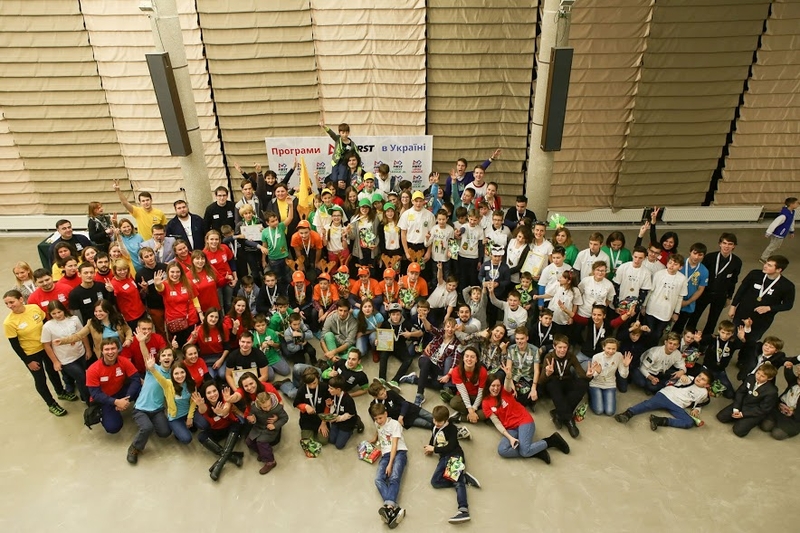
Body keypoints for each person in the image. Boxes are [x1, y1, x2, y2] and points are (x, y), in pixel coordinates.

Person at [5, 290, 74, 416]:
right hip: (31, 354)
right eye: (7, 304)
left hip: (45, 347)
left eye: (11, 302)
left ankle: (61, 392)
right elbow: (15, 345)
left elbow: (46, 324)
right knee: (40, 379)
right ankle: (51, 404)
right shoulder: (9, 322)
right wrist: (28, 361)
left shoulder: (34, 308)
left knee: (53, 372)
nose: (9, 306)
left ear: (21, 299)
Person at [482, 372, 570, 462]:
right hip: (510, 428)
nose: (496, 388)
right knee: (502, 450)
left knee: (524, 452)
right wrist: (510, 438)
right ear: (488, 386)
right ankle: (535, 450)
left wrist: (508, 376)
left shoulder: (504, 391)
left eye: (498, 385)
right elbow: (497, 423)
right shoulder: (485, 403)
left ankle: (552, 440)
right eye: (493, 386)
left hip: (523, 421)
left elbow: (507, 384)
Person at [423, 405, 480, 524]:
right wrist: (430, 446)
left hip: (455, 455)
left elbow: (451, 446)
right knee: (435, 482)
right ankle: (464, 478)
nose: (436, 423)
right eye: (434, 420)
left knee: (457, 483)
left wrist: (435, 449)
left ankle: (463, 510)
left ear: (446, 420)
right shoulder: (435, 426)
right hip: (443, 458)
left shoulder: (452, 429)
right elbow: (434, 436)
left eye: (439, 422)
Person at [729, 255, 795, 354]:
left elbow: (788, 305)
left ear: (779, 270)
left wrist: (769, 308)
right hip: (742, 314)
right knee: (733, 337)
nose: (765, 266)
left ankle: (743, 359)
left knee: (750, 342)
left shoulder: (787, 286)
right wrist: (733, 306)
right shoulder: (754, 274)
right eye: (766, 263)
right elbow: (741, 291)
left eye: (769, 265)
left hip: (761, 320)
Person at [615, 369, 712, 430]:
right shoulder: (689, 379)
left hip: (678, 405)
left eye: (703, 379)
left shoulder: (704, 393)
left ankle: (659, 420)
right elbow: (670, 381)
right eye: (699, 376)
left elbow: (700, 403)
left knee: (689, 422)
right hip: (666, 395)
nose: (699, 379)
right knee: (648, 404)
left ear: (707, 385)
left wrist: (697, 409)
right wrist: (680, 377)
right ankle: (628, 413)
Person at [127, 345, 174, 464]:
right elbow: (146, 356)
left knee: (165, 432)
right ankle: (135, 447)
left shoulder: (174, 374)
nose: (166, 357)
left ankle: (148, 426)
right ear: (159, 359)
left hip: (157, 410)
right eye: (163, 355)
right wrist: (142, 342)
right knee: (147, 428)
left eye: (169, 355)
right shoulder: (153, 368)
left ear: (173, 358)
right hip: (141, 409)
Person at [689, 233, 741, 336]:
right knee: (695, 315)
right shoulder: (710, 257)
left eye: (730, 244)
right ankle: (689, 335)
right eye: (724, 243)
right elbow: (700, 275)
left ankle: (706, 338)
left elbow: (733, 280)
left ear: (734, 246)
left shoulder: (737, 262)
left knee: (713, 319)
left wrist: (729, 297)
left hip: (721, 295)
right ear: (720, 244)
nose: (726, 246)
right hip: (704, 292)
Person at [86, 339, 143, 433]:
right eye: (107, 349)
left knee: (141, 389)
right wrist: (115, 402)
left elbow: (136, 379)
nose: (110, 352)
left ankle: (143, 412)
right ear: (102, 351)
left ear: (118, 350)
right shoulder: (93, 369)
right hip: (104, 398)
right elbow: (95, 394)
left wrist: (126, 399)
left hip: (120, 391)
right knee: (113, 427)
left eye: (113, 348)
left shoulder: (124, 361)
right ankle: (103, 413)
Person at [192, 381, 244, 481]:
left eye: (214, 391)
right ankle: (232, 457)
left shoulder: (225, 398)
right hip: (216, 430)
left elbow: (226, 409)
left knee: (237, 425)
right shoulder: (204, 405)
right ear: (205, 395)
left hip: (230, 427)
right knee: (201, 436)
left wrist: (221, 412)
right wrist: (200, 404)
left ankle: (219, 465)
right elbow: (202, 410)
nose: (212, 394)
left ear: (218, 391)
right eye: (209, 393)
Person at [539, 335, 590, 438]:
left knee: (583, 383)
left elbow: (580, 372)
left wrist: (588, 376)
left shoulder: (571, 356)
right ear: (554, 347)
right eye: (560, 347)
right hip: (553, 382)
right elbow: (541, 381)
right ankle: (569, 420)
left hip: (566, 381)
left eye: (565, 347)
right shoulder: (549, 357)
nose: (562, 350)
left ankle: (558, 413)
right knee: (553, 385)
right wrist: (547, 373)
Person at [40, 301, 91, 404]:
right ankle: (89, 401)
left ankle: (83, 395)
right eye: (54, 313)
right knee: (81, 377)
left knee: (83, 377)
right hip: (65, 359)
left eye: (59, 312)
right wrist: (55, 362)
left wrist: (88, 349)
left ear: (64, 310)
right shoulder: (47, 326)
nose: (57, 315)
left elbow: (82, 334)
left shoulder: (74, 319)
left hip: (80, 353)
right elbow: (46, 345)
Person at [369, 403, 408, 527]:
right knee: (378, 479)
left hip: (399, 452)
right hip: (385, 454)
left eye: (380, 418)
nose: (378, 421)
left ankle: (390, 508)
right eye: (376, 419)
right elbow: (379, 431)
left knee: (394, 477)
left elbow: (394, 445)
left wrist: (390, 464)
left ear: (386, 414)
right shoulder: (377, 424)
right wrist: (375, 438)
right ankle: (393, 508)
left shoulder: (395, 424)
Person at [54, 299, 133, 360]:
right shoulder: (91, 323)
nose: (97, 314)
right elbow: (79, 335)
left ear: (108, 311)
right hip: (104, 356)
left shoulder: (118, 319)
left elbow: (128, 330)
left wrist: (128, 339)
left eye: (100, 311)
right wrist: (62, 341)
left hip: (122, 353)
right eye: (96, 311)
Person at [717, 362, 779, 437]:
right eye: (758, 373)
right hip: (743, 404)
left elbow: (763, 409)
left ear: (769, 378)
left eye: (762, 376)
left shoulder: (771, 392)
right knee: (721, 417)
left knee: (738, 431)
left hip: (755, 411)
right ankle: (740, 419)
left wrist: (743, 414)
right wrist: (736, 408)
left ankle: (750, 421)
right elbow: (741, 392)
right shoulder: (751, 378)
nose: (758, 377)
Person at [154, 262, 202, 346]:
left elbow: (194, 298)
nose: (175, 274)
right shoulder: (165, 284)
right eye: (172, 272)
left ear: (181, 272)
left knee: (193, 344)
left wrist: (200, 313)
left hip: (190, 319)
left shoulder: (188, 283)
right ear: (168, 272)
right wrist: (157, 284)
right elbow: (160, 288)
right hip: (175, 322)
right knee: (179, 345)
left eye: (177, 272)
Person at [643, 254, 688, 342]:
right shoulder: (658, 274)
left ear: (680, 267)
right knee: (647, 331)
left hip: (666, 312)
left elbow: (680, 297)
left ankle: (653, 347)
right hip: (652, 308)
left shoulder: (682, 279)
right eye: (670, 263)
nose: (671, 266)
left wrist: (676, 312)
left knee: (658, 334)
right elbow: (650, 291)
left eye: (675, 264)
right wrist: (644, 305)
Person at [244, 390, 289, 475]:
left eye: (269, 405)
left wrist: (275, 425)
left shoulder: (278, 408)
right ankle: (263, 453)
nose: (268, 409)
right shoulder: (254, 407)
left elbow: (285, 418)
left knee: (261, 442)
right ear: (259, 404)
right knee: (248, 441)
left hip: (270, 429)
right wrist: (252, 420)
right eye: (264, 407)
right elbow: (251, 416)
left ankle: (271, 461)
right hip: (258, 427)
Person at [587, 338, 632, 416]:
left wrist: (625, 366)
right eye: (608, 348)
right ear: (603, 347)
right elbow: (593, 374)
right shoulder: (596, 357)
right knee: (599, 410)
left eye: (613, 349)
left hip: (610, 384)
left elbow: (623, 375)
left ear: (616, 349)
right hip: (596, 384)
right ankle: (591, 396)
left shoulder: (619, 356)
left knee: (610, 412)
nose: (611, 351)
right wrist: (597, 372)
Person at [759, 365, 800, 440]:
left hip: (794, 417)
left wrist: (793, 412)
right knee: (765, 426)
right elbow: (789, 375)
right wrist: (788, 368)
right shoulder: (795, 382)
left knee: (777, 434)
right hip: (780, 409)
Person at [105, 260, 146, 330]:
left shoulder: (129, 277)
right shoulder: (114, 284)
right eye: (119, 270)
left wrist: (143, 289)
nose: (123, 272)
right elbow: (112, 302)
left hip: (141, 311)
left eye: (124, 269)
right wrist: (110, 292)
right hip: (130, 317)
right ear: (115, 271)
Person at [203, 230, 237, 313]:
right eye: (211, 239)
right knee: (220, 305)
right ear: (207, 240)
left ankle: (229, 319)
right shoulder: (204, 254)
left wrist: (235, 278)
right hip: (216, 283)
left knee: (228, 303)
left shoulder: (224, 248)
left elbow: (231, 261)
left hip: (228, 279)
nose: (214, 242)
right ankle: (222, 320)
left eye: (216, 239)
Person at [760, 197, 798, 262]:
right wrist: (768, 232)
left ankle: (766, 256)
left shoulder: (792, 212)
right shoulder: (784, 215)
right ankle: (763, 258)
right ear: (791, 204)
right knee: (773, 246)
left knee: (775, 245)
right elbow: (775, 223)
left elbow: (791, 222)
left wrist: (792, 231)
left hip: (782, 233)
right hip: (778, 233)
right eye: (797, 203)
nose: (798, 204)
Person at [321, 299, 358, 364]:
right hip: (334, 343)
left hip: (346, 346)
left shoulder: (354, 322)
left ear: (348, 311)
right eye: (340, 310)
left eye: (345, 311)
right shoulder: (330, 318)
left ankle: (335, 362)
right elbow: (322, 339)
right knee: (328, 335)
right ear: (337, 310)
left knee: (355, 353)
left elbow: (349, 342)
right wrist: (328, 354)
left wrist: (333, 352)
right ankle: (336, 361)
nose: (342, 313)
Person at [326, 375, 358, 449]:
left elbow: (350, 414)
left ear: (338, 389)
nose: (328, 390)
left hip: (347, 422)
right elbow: (336, 404)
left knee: (339, 445)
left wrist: (338, 418)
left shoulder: (348, 400)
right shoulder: (333, 394)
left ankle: (356, 425)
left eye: (331, 388)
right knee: (331, 440)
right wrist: (331, 404)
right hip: (337, 418)